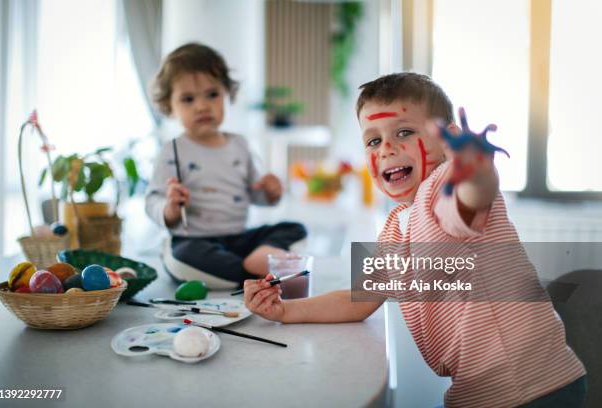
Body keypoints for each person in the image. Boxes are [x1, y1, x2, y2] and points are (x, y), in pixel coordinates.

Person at [244, 73, 586, 407]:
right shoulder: (396, 227)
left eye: (404, 132)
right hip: (480, 391)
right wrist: (285, 311)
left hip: (527, 387)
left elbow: (472, 196)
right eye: (373, 141)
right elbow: (358, 298)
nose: (387, 148)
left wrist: (475, 167)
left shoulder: (444, 186)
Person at [145, 43, 306, 287]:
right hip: (195, 240)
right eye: (188, 99)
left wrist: (270, 192)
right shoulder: (173, 150)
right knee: (182, 255)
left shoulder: (239, 145)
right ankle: (254, 269)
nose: (202, 106)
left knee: (294, 228)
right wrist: (169, 208)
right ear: (170, 105)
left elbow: (256, 195)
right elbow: (152, 200)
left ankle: (249, 264)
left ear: (227, 93)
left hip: (239, 238)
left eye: (212, 94)